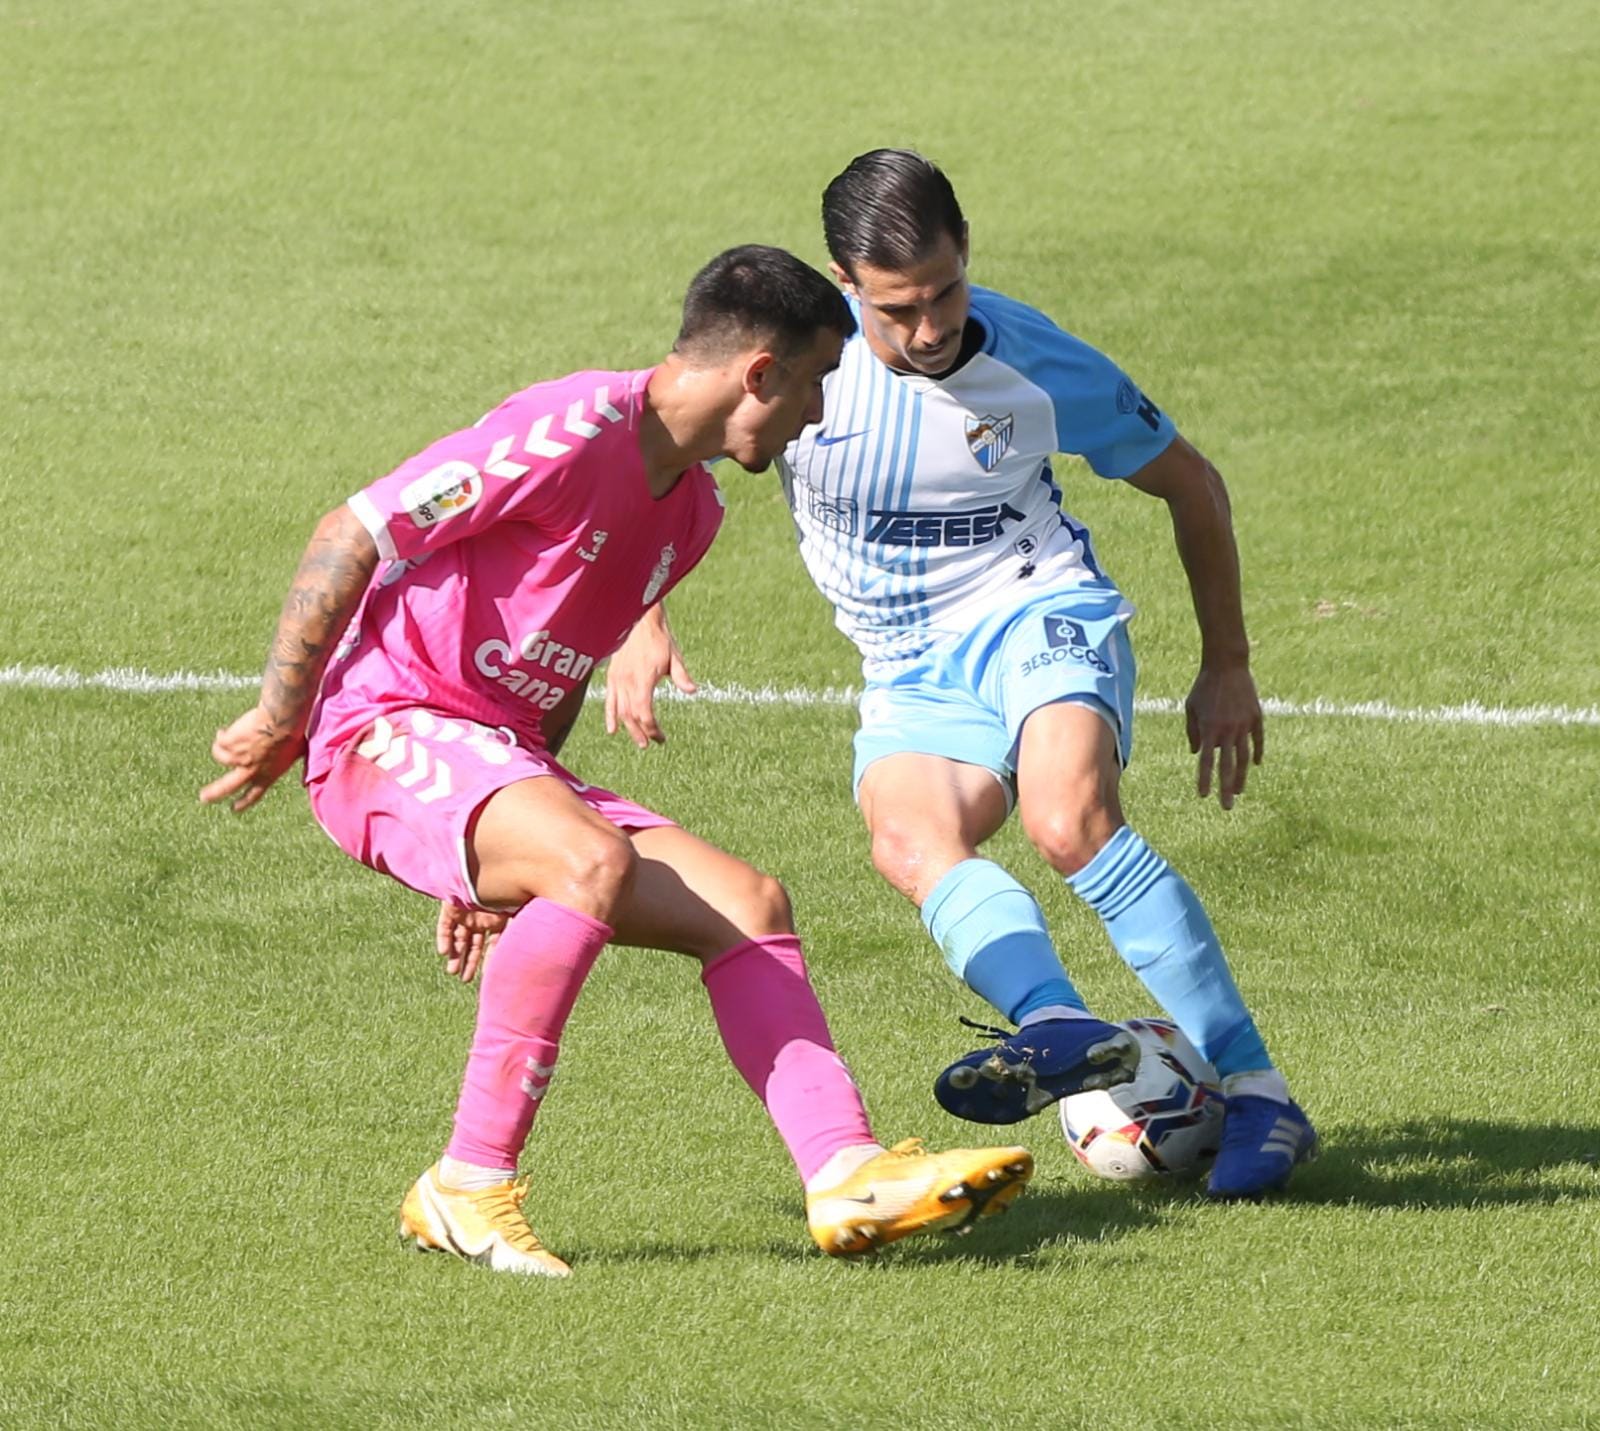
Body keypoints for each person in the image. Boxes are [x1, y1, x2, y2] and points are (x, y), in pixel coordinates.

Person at [200, 244, 1034, 1276]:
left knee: (749, 906)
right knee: (588, 863)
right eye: (818, 382)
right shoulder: (569, 431)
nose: (816, 415)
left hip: (486, 757)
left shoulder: (688, 516)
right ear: (760, 373)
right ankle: (467, 1185)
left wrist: (496, 845)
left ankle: (844, 1169)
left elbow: (547, 682)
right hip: (383, 722)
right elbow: (354, 531)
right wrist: (286, 715)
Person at [605, 156, 1317, 1202]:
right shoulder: (797, 370)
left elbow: (1192, 486)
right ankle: (1060, 1025)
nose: (931, 326)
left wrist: (1229, 665)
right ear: (846, 284)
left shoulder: (1032, 362)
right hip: (906, 666)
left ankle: (1259, 1093)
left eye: (945, 290)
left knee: (1068, 822)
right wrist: (642, 616)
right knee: (908, 841)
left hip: (1039, 612)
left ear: (964, 251)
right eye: (899, 307)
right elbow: (661, 460)